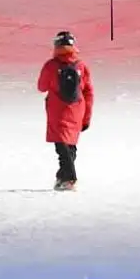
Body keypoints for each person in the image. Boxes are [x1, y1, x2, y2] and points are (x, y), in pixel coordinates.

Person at [37, 31, 94, 191]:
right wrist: (86, 117)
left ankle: (69, 179)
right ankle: (62, 177)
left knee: (61, 147)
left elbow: (41, 87)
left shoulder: (51, 65)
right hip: (77, 109)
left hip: (58, 110)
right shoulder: (81, 66)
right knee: (70, 146)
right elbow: (89, 92)